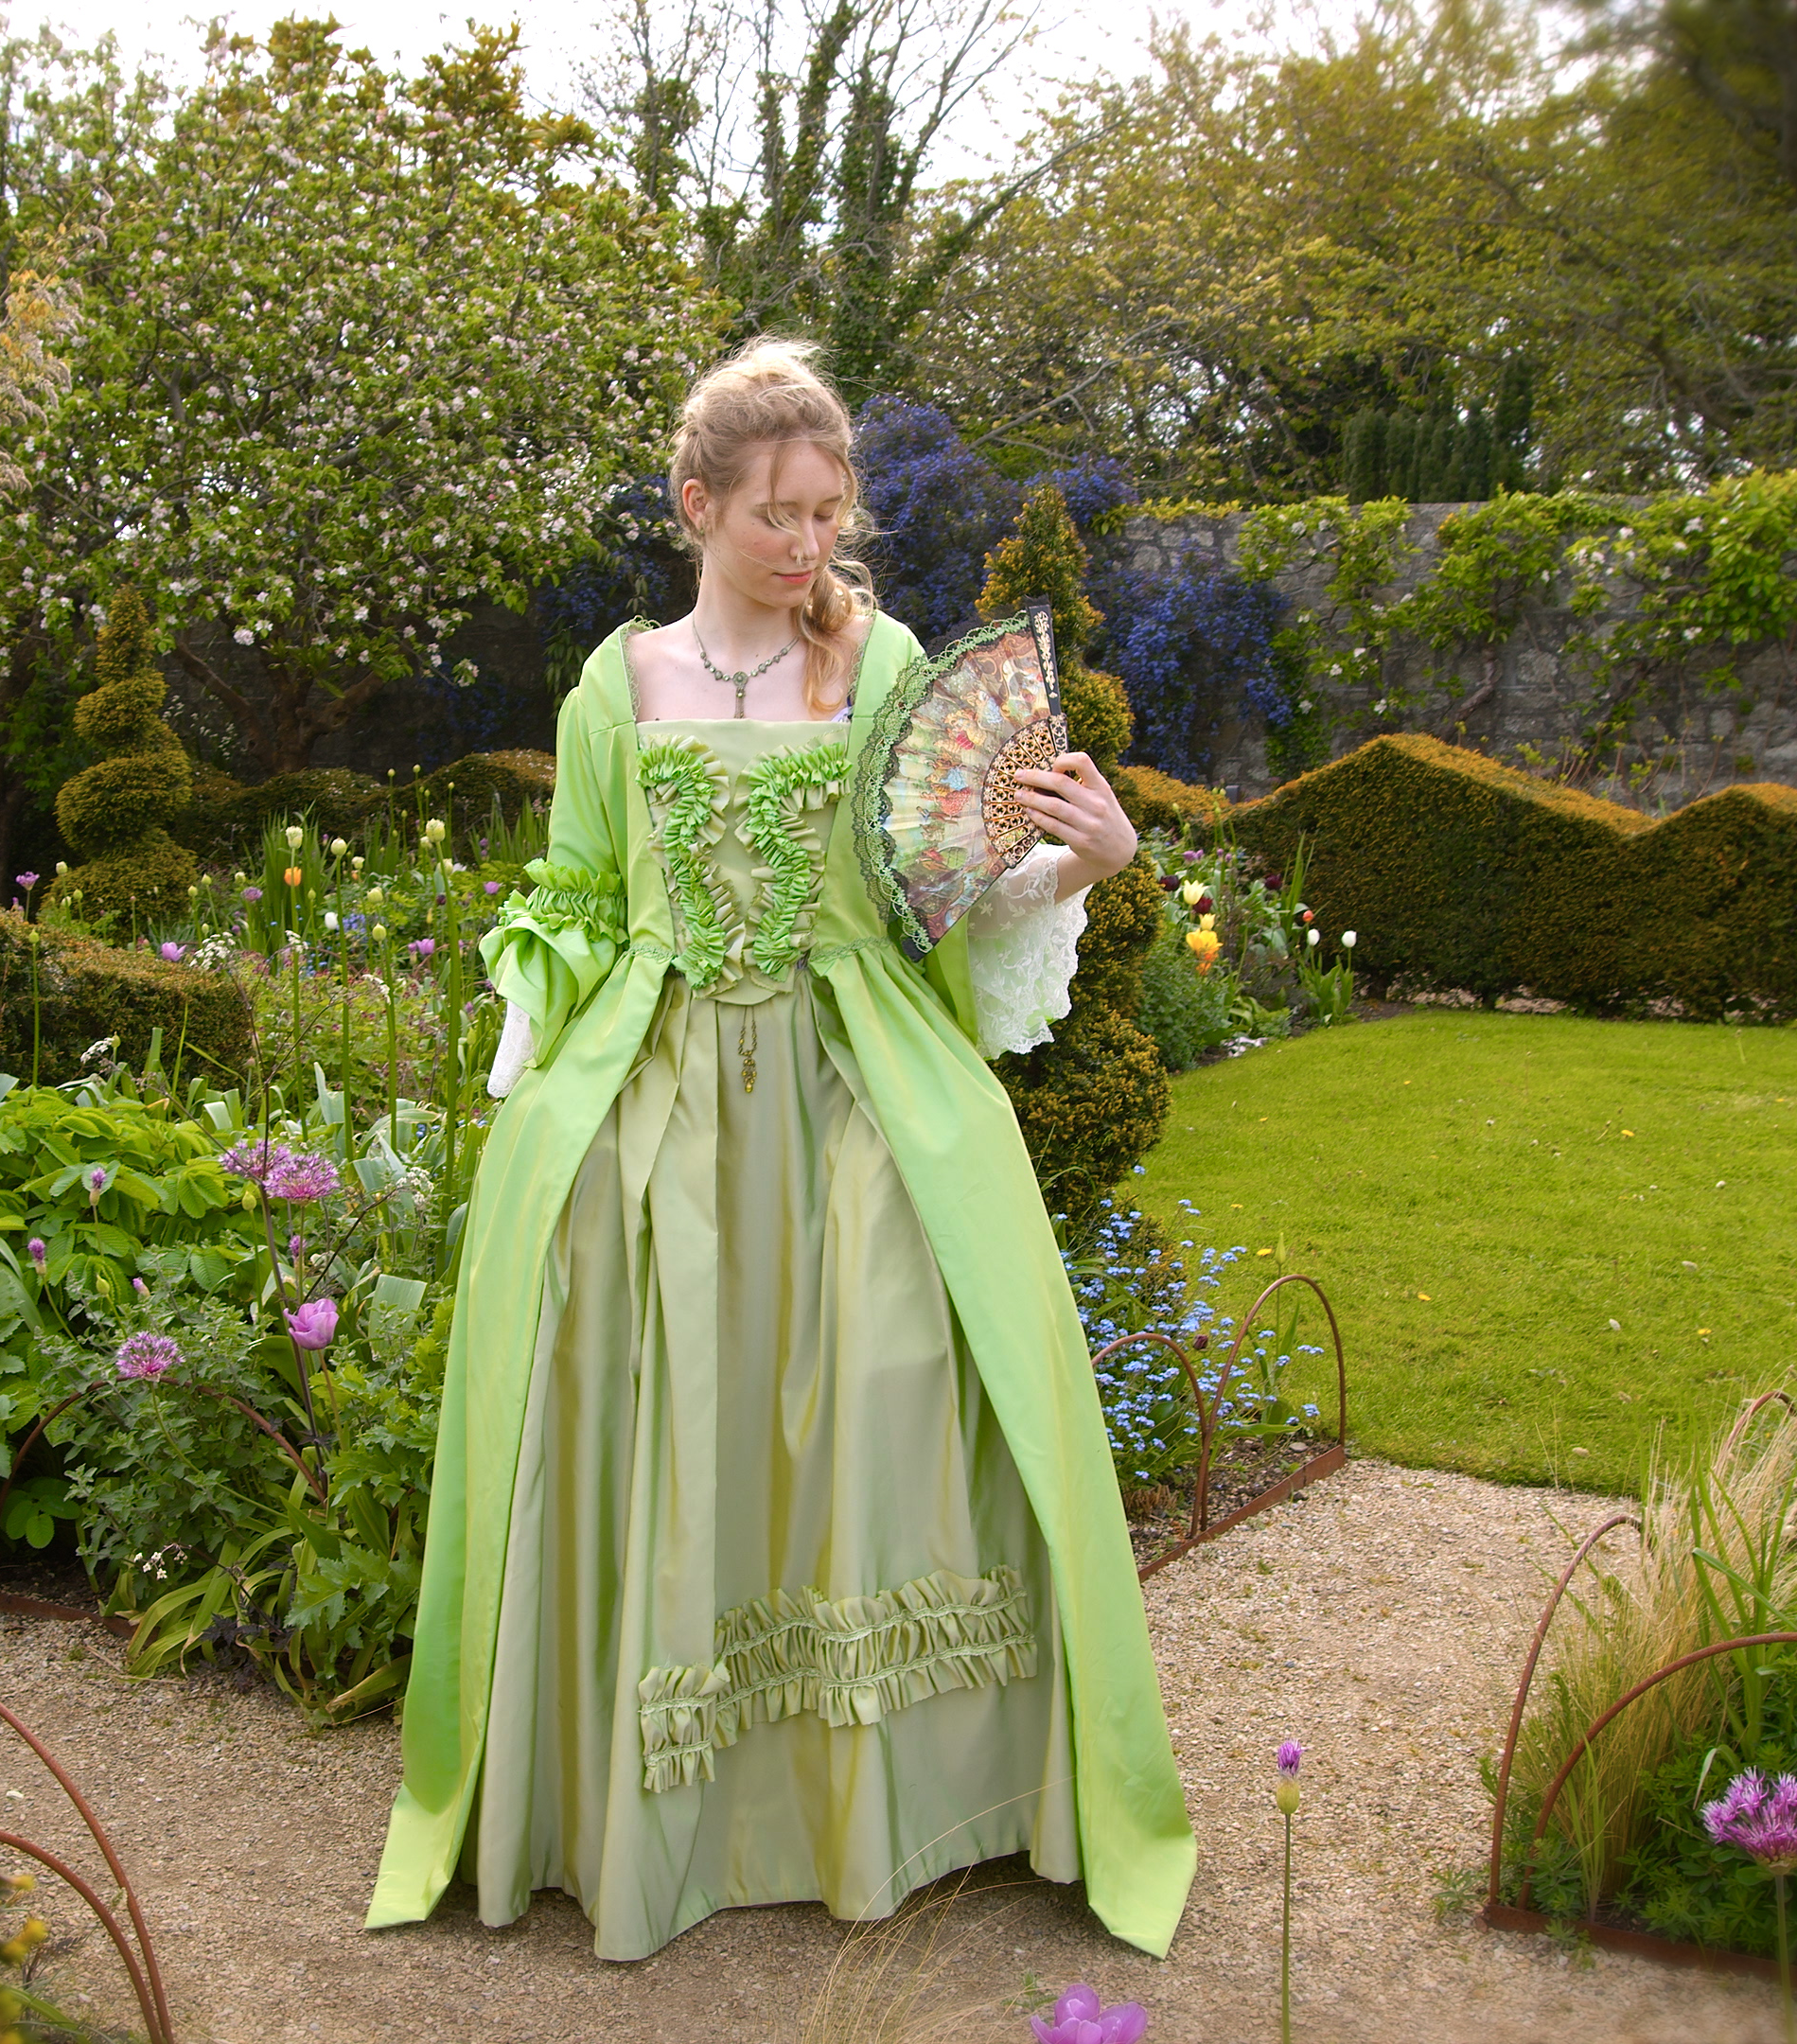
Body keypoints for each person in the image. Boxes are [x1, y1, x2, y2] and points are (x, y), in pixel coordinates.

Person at [362, 338, 1196, 1962]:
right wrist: (534, 1050)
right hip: (658, 1095)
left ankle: (880, 1801)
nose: (810, 544)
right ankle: (668, 1803)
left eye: (829, 513)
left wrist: (1083, 865)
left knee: (879, 1401)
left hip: (855, 1089)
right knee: (673, 1409)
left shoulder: (878, 667)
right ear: (698, 506)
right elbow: (587, 899)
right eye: (776, 515)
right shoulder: (619, 683)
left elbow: (925, 894)